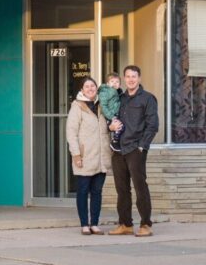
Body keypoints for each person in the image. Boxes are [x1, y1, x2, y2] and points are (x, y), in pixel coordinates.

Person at [106, 65, 159, 237]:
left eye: (134, 76)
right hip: (118, 150)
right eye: (127, 76)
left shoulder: (148, 98)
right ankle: (125, 224)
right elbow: (111, 117)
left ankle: (145, 224)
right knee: (122, 189)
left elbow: (153, 125)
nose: (130, 79)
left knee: (140, 187)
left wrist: (142, 146)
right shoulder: (119, 98)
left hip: (135, 149)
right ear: (124, 78)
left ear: (139, 78)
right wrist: (110, 126)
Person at [65, 76, 112, 235]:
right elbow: (71, 133)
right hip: (85, 157)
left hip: (101, 157)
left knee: (97, 192)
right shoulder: (77, 106)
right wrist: (76, 154)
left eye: (92, 86)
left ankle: (94, 224)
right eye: (87, 86)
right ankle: (84, 224)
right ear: (82, 90)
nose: (90, 89)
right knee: (83, 191)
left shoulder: (102, 105)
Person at [97, 72, 124, 152]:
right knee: (119, 127)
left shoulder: (119, 93)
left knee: (121, 128)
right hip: (110, 115)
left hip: (116, 114)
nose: (114, 83)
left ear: (120, 85)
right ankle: (114, 142)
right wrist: (111, 117)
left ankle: (116, 141)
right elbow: (103, 106)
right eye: (112, 81)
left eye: (117, 82)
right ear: (107, 84)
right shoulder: (105, 92)